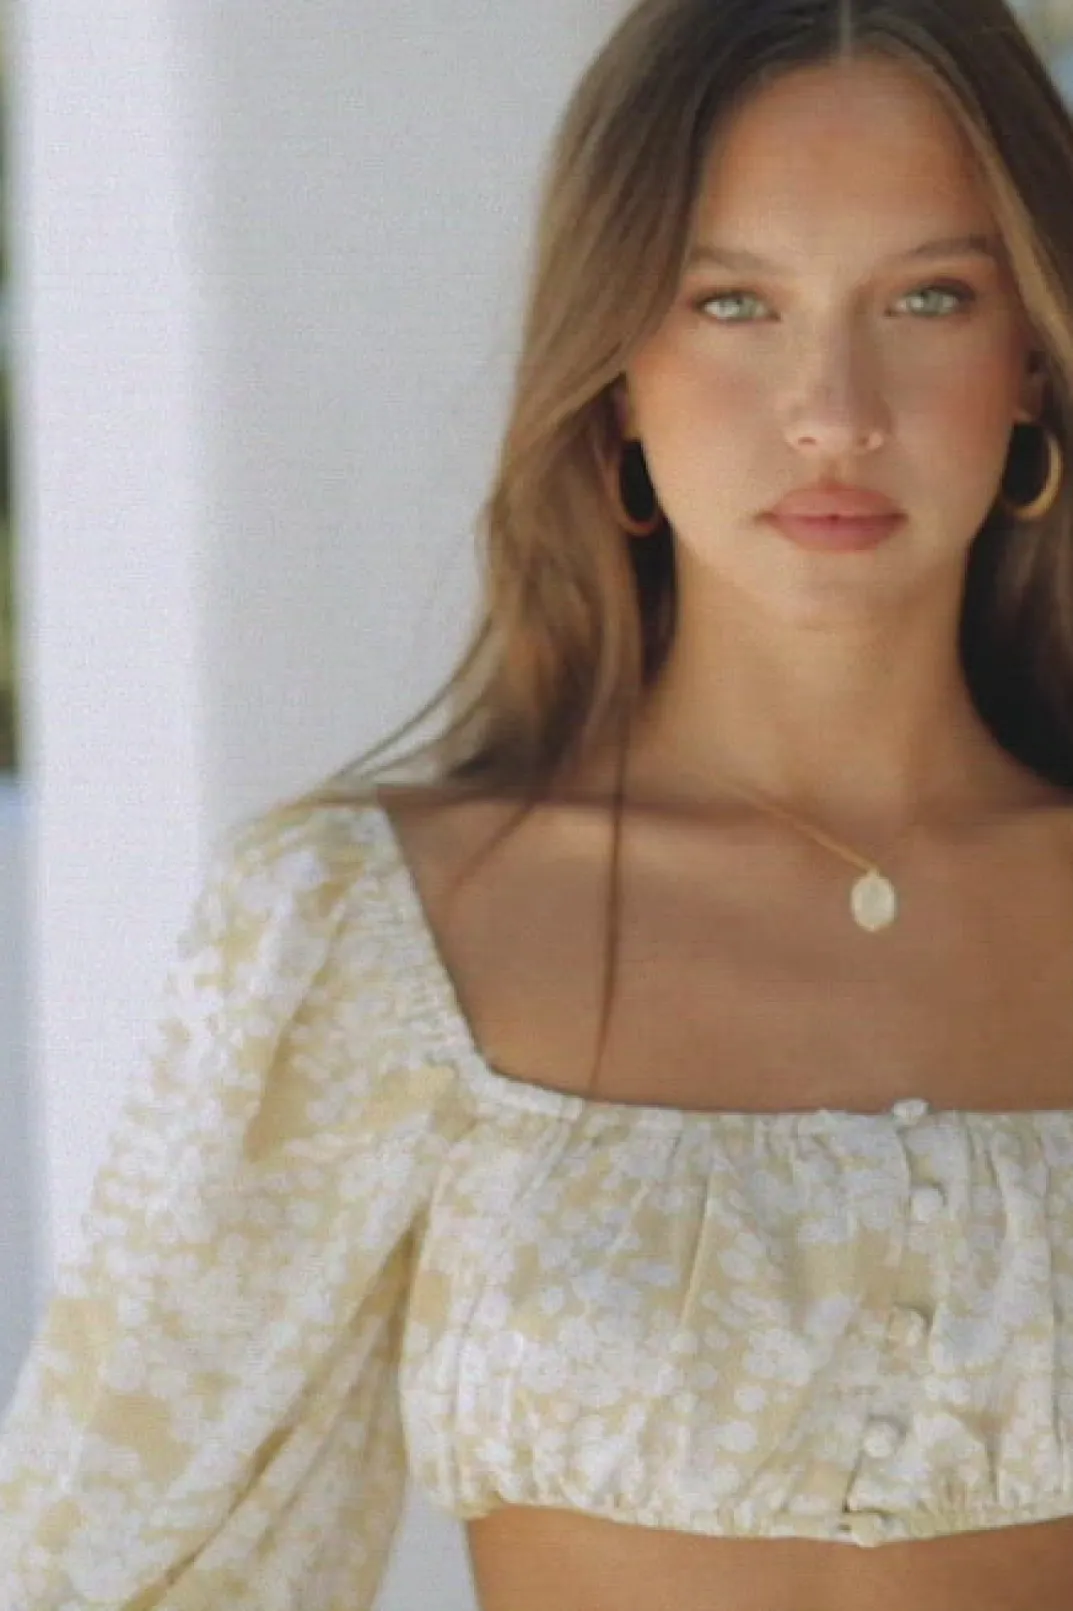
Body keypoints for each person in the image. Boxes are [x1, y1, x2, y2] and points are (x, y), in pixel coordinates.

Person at [4, 0, 1073, 1605]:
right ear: (618, 371)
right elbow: (113, 1568)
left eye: (929, 297)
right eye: (733, 301)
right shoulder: (373, 934)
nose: (835, 409)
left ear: (1032, 361)